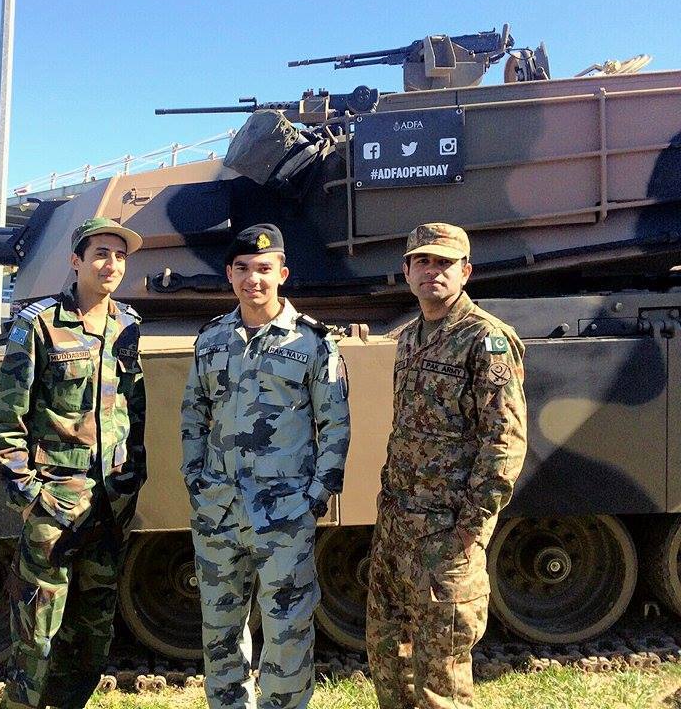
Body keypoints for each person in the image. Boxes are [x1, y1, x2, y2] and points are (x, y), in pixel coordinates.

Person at [180, 223, 350, 709]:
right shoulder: (212, 339)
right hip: (217, 510)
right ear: (230, 275)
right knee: (220, 635)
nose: (253, 279)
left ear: (282, 274)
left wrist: (316, 497)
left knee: (287, 635)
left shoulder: (314, 343)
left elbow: (334, 423)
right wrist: (195, 479)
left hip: (284, 514)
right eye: (243, 269)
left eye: (263, 269)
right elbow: (194, 411)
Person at [0, 217, 146, 709]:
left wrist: (132, 476)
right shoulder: (40, 324)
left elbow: (134, 410)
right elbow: (2, 415)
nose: (110, 263)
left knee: (94, 632)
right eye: (100, 253)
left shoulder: (127, 325)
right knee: (36, 634)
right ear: (76, 260)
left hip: (109, 504)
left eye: (119, 255)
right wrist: (30, 494)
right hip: (55, 501)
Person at [365, 223, 527, 709]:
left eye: (444, 263)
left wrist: (470, 531)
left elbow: (505, 442)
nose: (433, 271)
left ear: (466, 271)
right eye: (423, 261)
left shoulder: (485, 339)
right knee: (387, 657)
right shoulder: (410, 338)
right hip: (397, 528)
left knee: (441, 673)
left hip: (447, 535)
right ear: (407, 272)